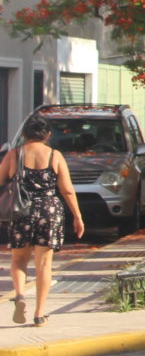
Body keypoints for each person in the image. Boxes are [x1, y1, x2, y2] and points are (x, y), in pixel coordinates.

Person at [1, 116, 85, 326]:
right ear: (47, 135)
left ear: (24, 134)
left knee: (19, 260)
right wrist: (77, 216)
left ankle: (20, 295)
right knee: (44, 264)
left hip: (21, 212)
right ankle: (39, 314)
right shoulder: (54, 155)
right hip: (49, 211)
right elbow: (66, 190)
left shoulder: (14, 154)